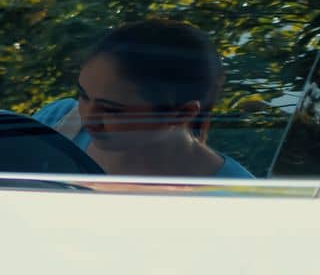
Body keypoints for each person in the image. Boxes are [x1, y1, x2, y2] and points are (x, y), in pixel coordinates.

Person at [33, 19, 253, 178]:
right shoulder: (58, 121)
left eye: (112, 110)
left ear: (182, 114)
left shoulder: (235, 198)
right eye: (83, 95)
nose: (88, 117)